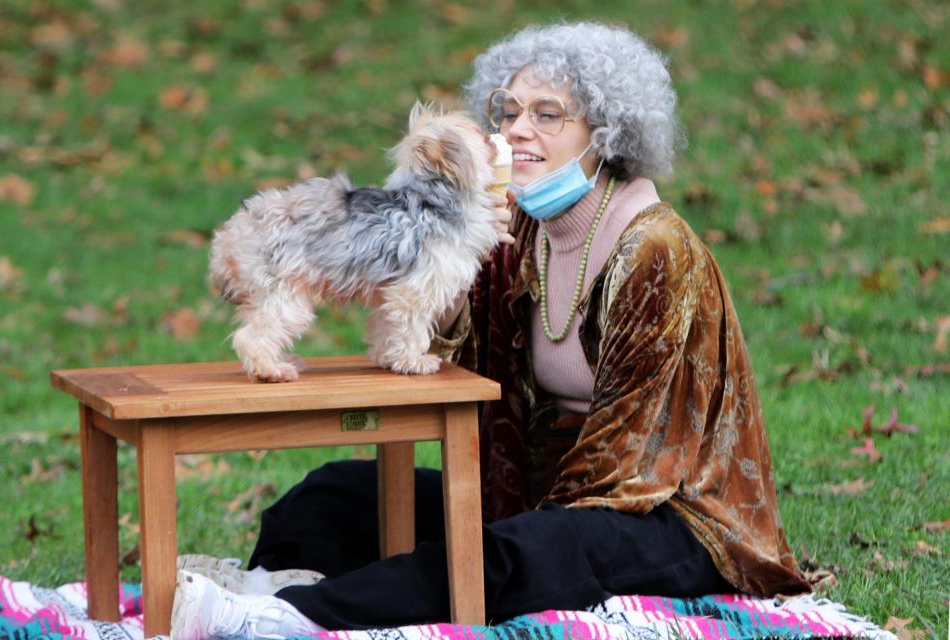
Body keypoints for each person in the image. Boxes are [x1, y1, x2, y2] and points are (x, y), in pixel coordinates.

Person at [170, 21, 810, 640]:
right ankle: (257, 595)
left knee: (502, 551)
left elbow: (633, 452)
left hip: (661, 513)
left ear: (607, 131)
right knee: (330, 495)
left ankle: (287, 619)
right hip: (537, 492)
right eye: (507, 112)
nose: (517, 131)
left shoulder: (656, 250)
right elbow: (455, 346)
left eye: (548, 114)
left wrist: (510, 514)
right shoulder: (520, 234)